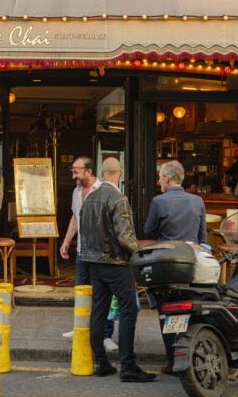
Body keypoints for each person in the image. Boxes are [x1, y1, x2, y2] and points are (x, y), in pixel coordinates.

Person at [79, 157, 155, 383]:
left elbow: (85, 234)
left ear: (102, 173)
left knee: (99, 312)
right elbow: (125, 237)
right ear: (119, 173)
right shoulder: (119, 199)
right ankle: (128, 366)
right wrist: (141, 251)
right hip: (115, 263)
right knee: (129, 311)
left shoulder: (90, 198)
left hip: (94, 264)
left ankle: (100, 362)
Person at [144, 160, 207, 376]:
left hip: (166, 264)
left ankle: (172, 361)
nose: (159, 180)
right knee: (191, 310)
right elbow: (202, 238)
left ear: (167, 179)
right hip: (191, 263)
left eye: (160, 177)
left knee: (167, 313)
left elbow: (149, 230)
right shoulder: (198, 201)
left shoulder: (159, 202)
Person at [59, 157, 116, 351]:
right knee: (81, 290)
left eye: (76, 171)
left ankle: (106, 335)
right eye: (72, 171)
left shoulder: (103, 192)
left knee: (103, 293)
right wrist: (66, 242)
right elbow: (75, 218)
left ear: (89, 172)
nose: (73, 175)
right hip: (82, 250)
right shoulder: (76, 192)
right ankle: (81, 327)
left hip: (100, 252)